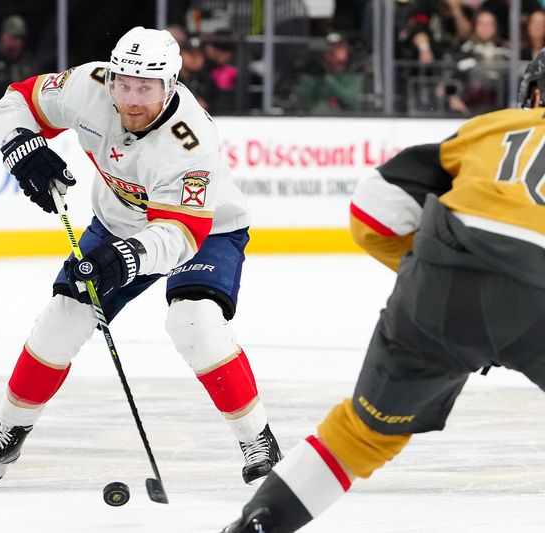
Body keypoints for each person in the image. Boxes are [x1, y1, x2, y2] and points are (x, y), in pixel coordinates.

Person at [220, 50, 545, 533]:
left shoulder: (491, 128)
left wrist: (431, 272)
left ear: (535, 94)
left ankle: (257, 524)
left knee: (361, 435)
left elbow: (375, 209)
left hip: (441, 285)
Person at [0, 26, 282, 487]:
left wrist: (126, 257)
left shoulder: (190, 143)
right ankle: (9, 431)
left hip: (205, 230)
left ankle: (256, 438)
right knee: (63, 316)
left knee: (194, 323)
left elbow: (182, 232)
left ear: (171, 85)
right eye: (124, 84)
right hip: (118, 222)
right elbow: (15, 102)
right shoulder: (90, 86)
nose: (131, 99)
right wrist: (23, 149)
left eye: (146, 88)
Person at [295, 33, 363, 115]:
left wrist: (330, 81)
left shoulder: (353, 76)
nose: (333, 51)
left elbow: (350, 100)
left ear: (346, 51)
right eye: (330, 48)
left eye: (339, 47)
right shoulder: (316, 75)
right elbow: (303, 99)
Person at [0, 15, 35, 109]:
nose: (18, 43)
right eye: (14, 37)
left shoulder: (28, 61)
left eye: (21, 38)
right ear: (3, 35)